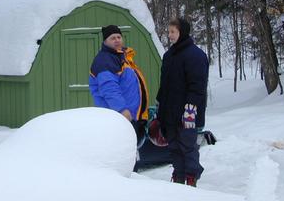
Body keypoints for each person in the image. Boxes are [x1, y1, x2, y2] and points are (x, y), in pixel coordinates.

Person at [156, 18, 209, 187]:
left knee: (188, 146)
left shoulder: (195, 55)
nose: (169, 35)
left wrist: (190, 110)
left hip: (187, 112)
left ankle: (191, 177)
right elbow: (164, 85)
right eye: (169, 32)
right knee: (174, 147)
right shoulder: (168, 55)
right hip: (169, 111)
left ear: (182, 32)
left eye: (173, 32)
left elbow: (197, 86)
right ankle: (178, 176)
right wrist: (160, 106)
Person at [89, 25, 149, 145]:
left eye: (119, 37)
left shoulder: (122, 57)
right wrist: (122, 110)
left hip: (130, 117)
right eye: (112, 38)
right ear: (105, 41)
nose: (117, 40)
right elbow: (109, 89)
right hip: (119, 118)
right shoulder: (105, 60)